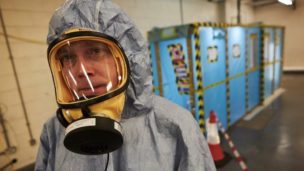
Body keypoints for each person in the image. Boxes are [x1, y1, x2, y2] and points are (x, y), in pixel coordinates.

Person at [35, 0, 216, 170]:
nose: (80, 71)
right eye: (67, 57)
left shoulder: (176, 125)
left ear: (127, 57)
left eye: (95, 51)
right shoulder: (53, 132)